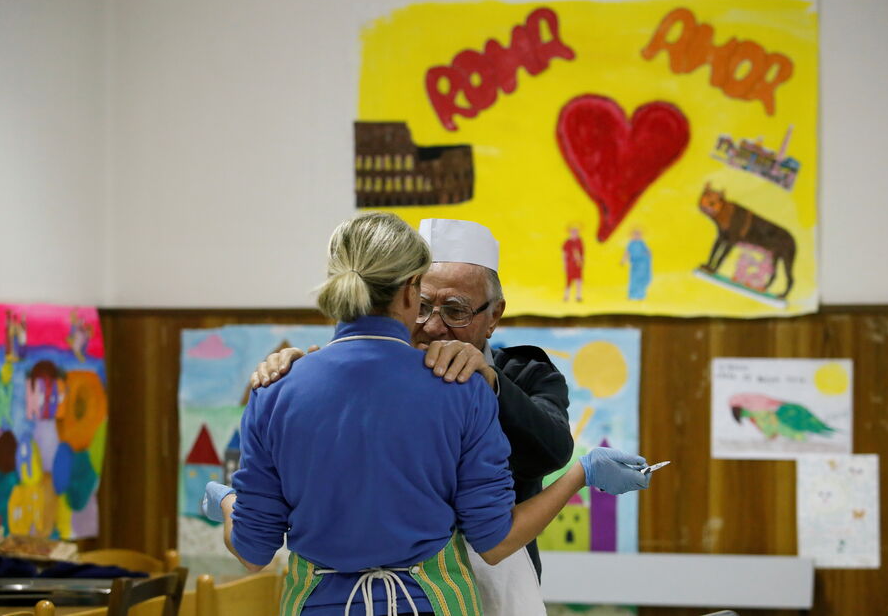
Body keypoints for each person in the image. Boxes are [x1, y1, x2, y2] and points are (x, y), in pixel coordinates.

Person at [205, 212, 650, 616]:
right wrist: (582, 476)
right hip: (435, 598)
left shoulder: (279, 390)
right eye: (425, 305)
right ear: (409, 291)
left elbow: (253, 549)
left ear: (494, 316)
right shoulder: (457, 393)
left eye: (454, 310)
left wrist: (227, 500)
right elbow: (494, 538)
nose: (434, 324)